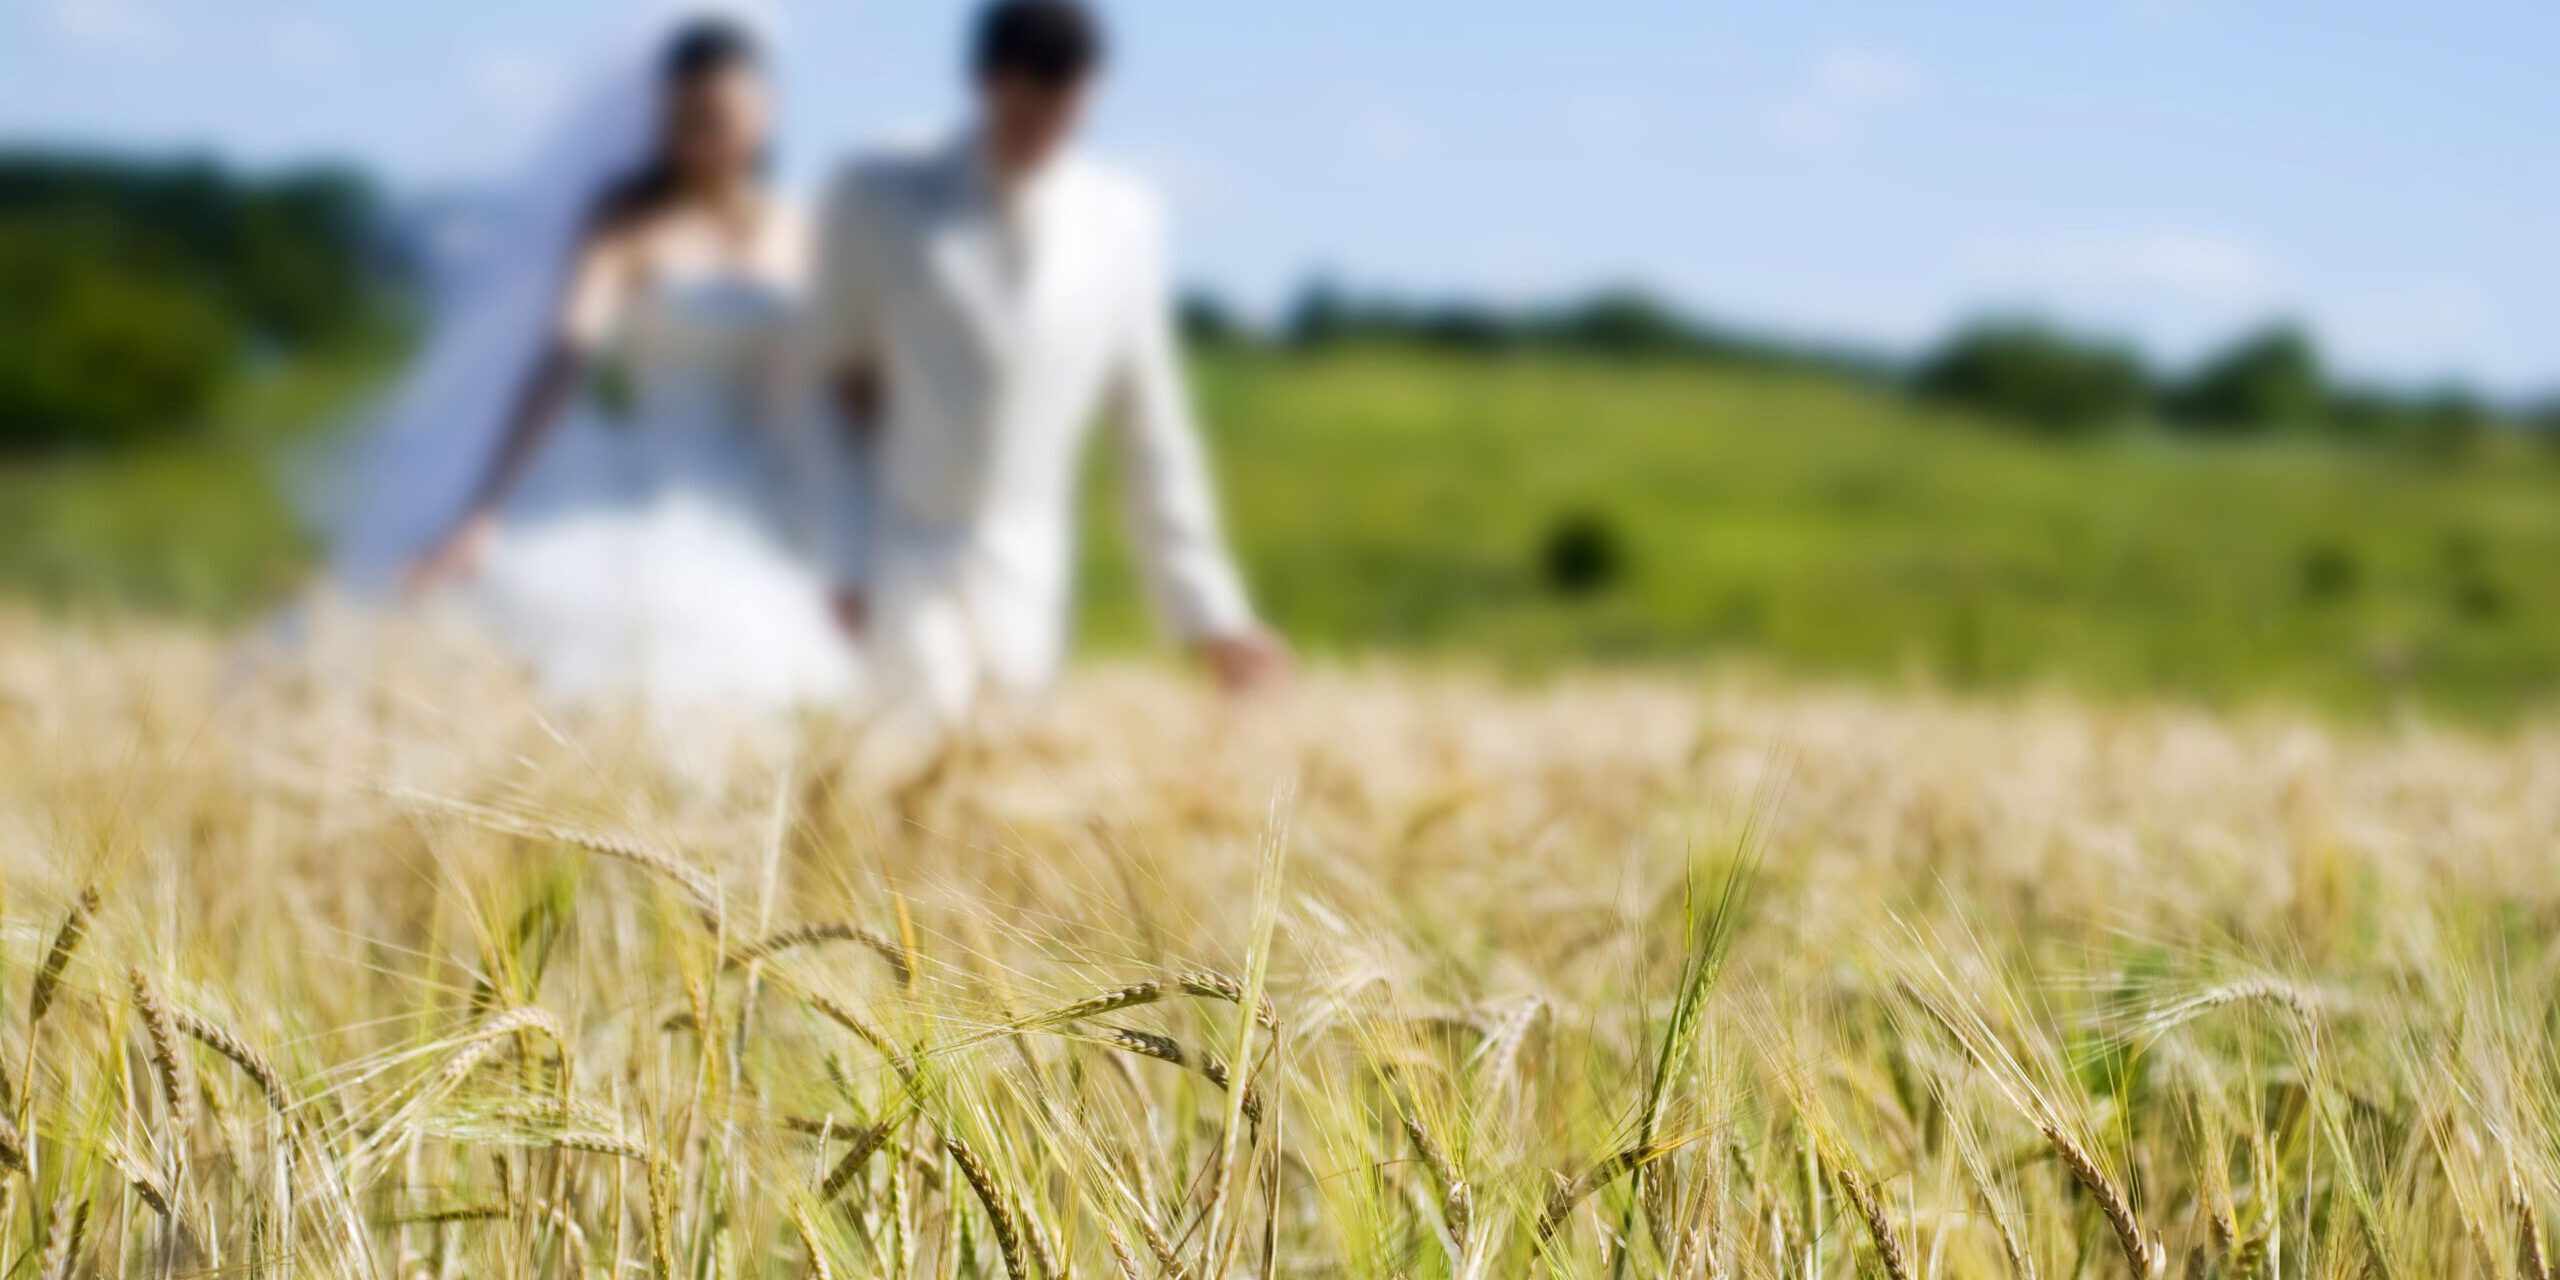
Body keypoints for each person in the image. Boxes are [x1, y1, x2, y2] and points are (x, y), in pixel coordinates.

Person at [324, 13, 859, 713]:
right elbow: (563, 358)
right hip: (655, 481)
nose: (702, 141)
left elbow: (822, 381)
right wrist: (484, 507)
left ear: (764, 114)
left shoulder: (804, 229)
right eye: (684, 121)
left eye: (719, 119)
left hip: (772, 489)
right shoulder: (625, 220)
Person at [807, 0, 1289, 722]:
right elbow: (834, 382)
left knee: (998, 793)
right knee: (908, 766)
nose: (1044, 138)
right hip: (904, 548)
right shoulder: (879, 199)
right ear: (988, 87)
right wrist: (842, 555)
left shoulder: (1123, 221)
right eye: (1027, 117)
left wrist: (1212, 612)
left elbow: (1150, 428)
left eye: (1065, 117)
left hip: (1030, 571)